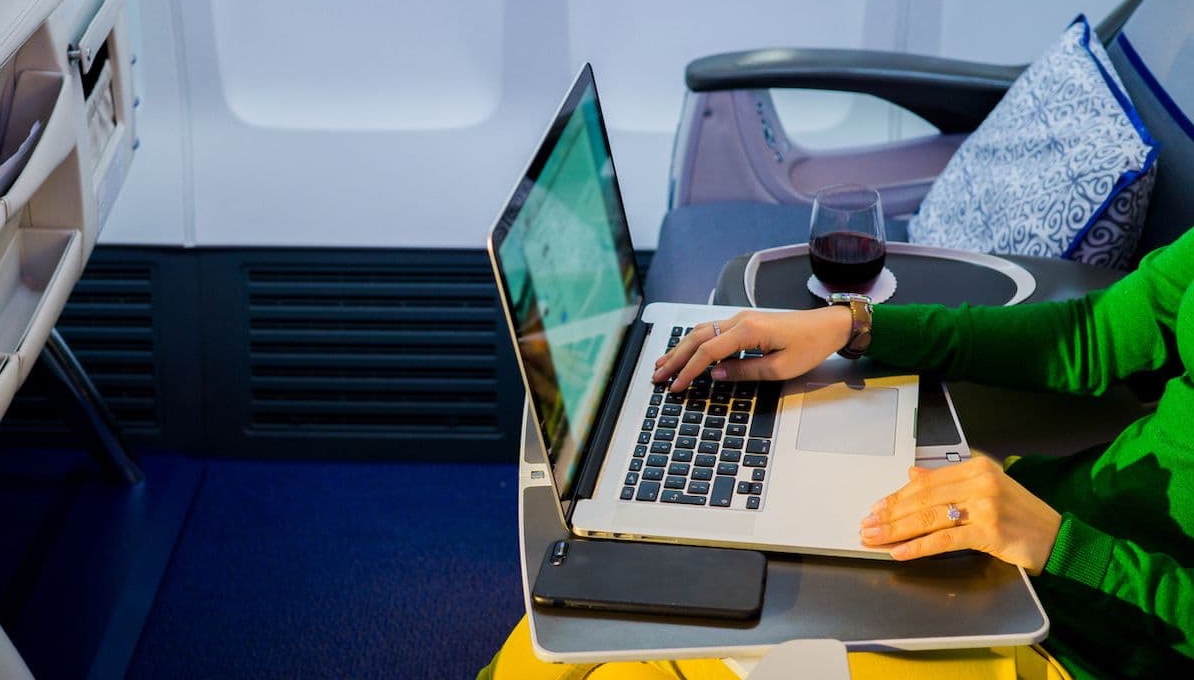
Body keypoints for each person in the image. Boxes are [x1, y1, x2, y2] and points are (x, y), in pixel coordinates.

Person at [481, 229, 1194, 679]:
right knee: (578, 602)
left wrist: (1063, 547)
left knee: (628, 662)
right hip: (1016, 522)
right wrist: (853, 327)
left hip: (1091, 640)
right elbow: (1095, 334)